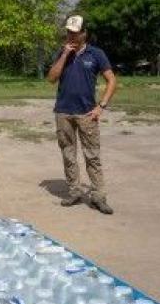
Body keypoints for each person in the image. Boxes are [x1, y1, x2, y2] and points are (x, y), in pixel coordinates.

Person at [47, 15, 117, 214]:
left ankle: (98, 197)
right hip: (63, 112)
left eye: (75, 32)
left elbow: (112, 80)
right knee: (68, 154)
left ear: (84, 33)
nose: (71, 35)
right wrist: (64, 55)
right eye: (69, 31)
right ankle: (75, 192)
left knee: (92, 156)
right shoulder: (62, 52)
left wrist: (101, 106)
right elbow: (51, 79)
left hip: (87, 113)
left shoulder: (96, 54)